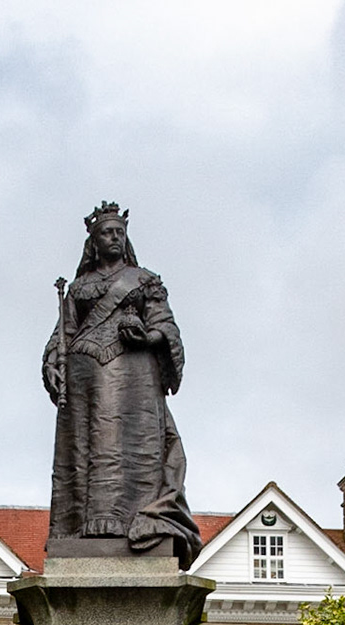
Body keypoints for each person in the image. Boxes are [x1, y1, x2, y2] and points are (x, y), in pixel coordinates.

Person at [43, 203, 203, 566]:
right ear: (94, 241)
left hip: (134, 378)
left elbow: (166, 325)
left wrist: (147, 337)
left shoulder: (144, 280)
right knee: (84, 450)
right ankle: (80, 527)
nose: (114, 237)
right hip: (83, 380)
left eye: (119, 232)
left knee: (132, 449)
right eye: (107, 233)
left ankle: (137, 521)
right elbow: (63, 334)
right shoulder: (78, 288)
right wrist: (51, 362)